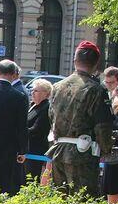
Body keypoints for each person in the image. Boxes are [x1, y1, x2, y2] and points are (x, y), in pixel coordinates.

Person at [47, 41, 114, 195]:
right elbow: (103, 126)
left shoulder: (57, 87)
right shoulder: (96, 90)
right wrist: (106, 149)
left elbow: (51, 117)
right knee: (83, 200)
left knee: (60, 199)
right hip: (83, 154)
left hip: (59, 150)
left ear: (75, 60)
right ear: (96, 64)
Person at [0, 59, 28, 195]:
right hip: (9, 146)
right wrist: (22, 150)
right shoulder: (20, 96)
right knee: (6, 182)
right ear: (14, 75)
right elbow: (22, 126)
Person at [23, 79, 52, 182]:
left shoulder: (46, 107)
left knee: (31, 179)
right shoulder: (33, 105)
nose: (32, 93)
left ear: (46, 93)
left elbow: (37, 129)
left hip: (36, 149)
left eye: (36, 91)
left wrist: (20, 132)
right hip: (27, 148)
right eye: (32, 90)